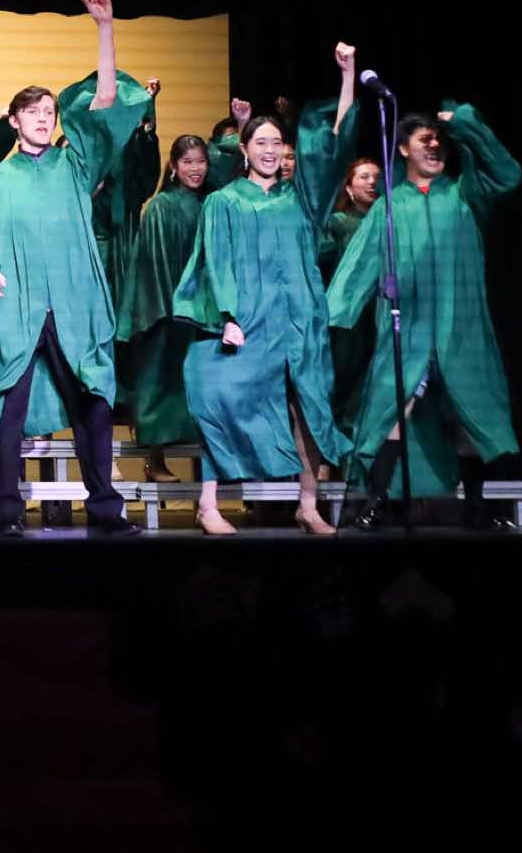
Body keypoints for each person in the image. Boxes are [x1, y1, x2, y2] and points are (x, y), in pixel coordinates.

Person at [0, 0, 147, 537]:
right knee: (6, 411)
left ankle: (106, 510)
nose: (43, 118)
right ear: (14, 120)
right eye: (32, 112)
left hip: (72, 303)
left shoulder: (75, 165)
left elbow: (106, 104)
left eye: (49, 112)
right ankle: (4, 513)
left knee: (93, 404)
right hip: (17, 305)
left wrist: (105, 29)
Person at [172, 44, 359, 535]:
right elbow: (215, 263)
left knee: (307, 406)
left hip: (299, 317)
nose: (271, 150)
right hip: (249, 319)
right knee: (220, 400)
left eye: (278, 142)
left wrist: (347, 76)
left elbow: (334, 145)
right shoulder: (224, 202)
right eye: (261, 142)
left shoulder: (303, 199)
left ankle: (308, 505)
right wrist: (227, 317)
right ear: (244, 149)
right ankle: (208, 504)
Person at [326, 102, 522, 528]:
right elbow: (360, 264)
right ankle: (379, 500)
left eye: (439, 140)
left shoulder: (464, 194)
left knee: (469, 413)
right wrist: (334, 315)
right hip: (408, 328)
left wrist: (465, 123)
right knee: (392, 410)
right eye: (424, 139)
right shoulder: (391, 207)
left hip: (461, 326)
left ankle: (478, 505)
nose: (435, 146)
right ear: (403, 149)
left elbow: (508, 175)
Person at [115, 134, 216, 482]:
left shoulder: (213, 204)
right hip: (169, 310)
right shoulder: (161, 206)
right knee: (160, 384)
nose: (195, 169)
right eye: (187, 162)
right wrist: (172, 308)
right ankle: (154, 461)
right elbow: (154, 264)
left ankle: (210, 473)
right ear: (174, 166)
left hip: (206, 311)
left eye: (201, 161)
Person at [319, 155, 382, 435]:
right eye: (364, 177)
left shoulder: (389, 221)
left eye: (376, 177)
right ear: (348, 187)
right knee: (344, 373)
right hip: (348, 316)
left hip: (379, 310)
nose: (372, 182)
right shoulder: (339, 222)